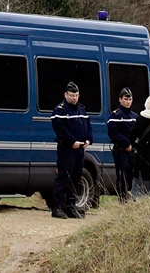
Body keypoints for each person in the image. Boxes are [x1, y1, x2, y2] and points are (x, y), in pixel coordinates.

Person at [50, 81, 93, 219]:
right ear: (65, 95)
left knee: (75, 178)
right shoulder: (60, 110)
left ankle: (71, 206)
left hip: (80, 149)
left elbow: (88, 126)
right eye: (71, 95)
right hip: (67, 149)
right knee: (64, 177)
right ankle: (57, 207)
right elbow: (60, 129)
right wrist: (71, 141)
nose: (74, 98)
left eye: (76, 95)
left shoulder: (81, 110)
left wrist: (88, 139)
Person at [107, 87, 138, 203]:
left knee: (133, 177)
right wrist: (126, 144)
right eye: (126, 99)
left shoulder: (135, 116)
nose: (128, 101)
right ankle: (123, 199)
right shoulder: (115, 116)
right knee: (123, 177)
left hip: (133, 152)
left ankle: (133, 198)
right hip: (121, 151)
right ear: (120, 100)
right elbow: (113, 133)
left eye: (130, 99)